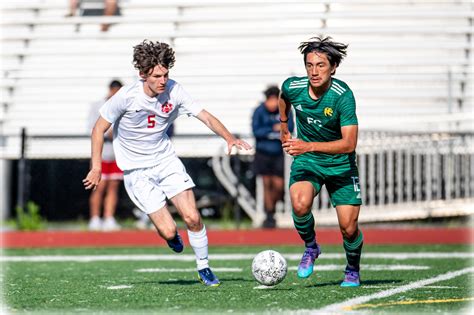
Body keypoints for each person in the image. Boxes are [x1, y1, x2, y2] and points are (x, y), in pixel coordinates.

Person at [82, 40, 252, 286]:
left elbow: (204, 115)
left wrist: (229, 137)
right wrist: (96, 167)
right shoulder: (126, 97)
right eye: (157, 76)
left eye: (166, 74)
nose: (163, 80)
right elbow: (98, 130)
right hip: (136, 171)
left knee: (192, 217)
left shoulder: (175, 91)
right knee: (169, 231)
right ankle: (172, 237)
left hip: (165, 161)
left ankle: (204, 266)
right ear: (143, 75)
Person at [279, 36, 363, 287]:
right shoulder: (293, 87)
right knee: (299, 203)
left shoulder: (342, 95)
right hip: (309, 161)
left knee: (348, 228)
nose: (314, 72)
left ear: (333, 67)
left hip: (341, 165)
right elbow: (284, 97)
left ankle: (352, 269)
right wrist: (284, 126)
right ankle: (311, 247)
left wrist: (308, 144)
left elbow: (349, 143)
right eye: (309, 65)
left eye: (321, 65)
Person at [251, 85, 294, 228]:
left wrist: (279, 130)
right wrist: (273, 129)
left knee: (279, 185)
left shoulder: (285, 110)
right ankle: (269, 215)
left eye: (276, 100)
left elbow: (290, 128)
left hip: (278, 153)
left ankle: (273, 206)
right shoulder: (259, 111)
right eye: (271, 100)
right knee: (266, 184)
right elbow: (257, 131)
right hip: (262, 153)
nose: (273, 104)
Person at [87, 80, 123, 231]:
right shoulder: (98, 106)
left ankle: (109, 217)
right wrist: (107, 132)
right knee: (99, 187)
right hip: (102, 154)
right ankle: (95, 218)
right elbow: (93, 129)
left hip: (118, 154)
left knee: (113, 187)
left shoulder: (124, 106)